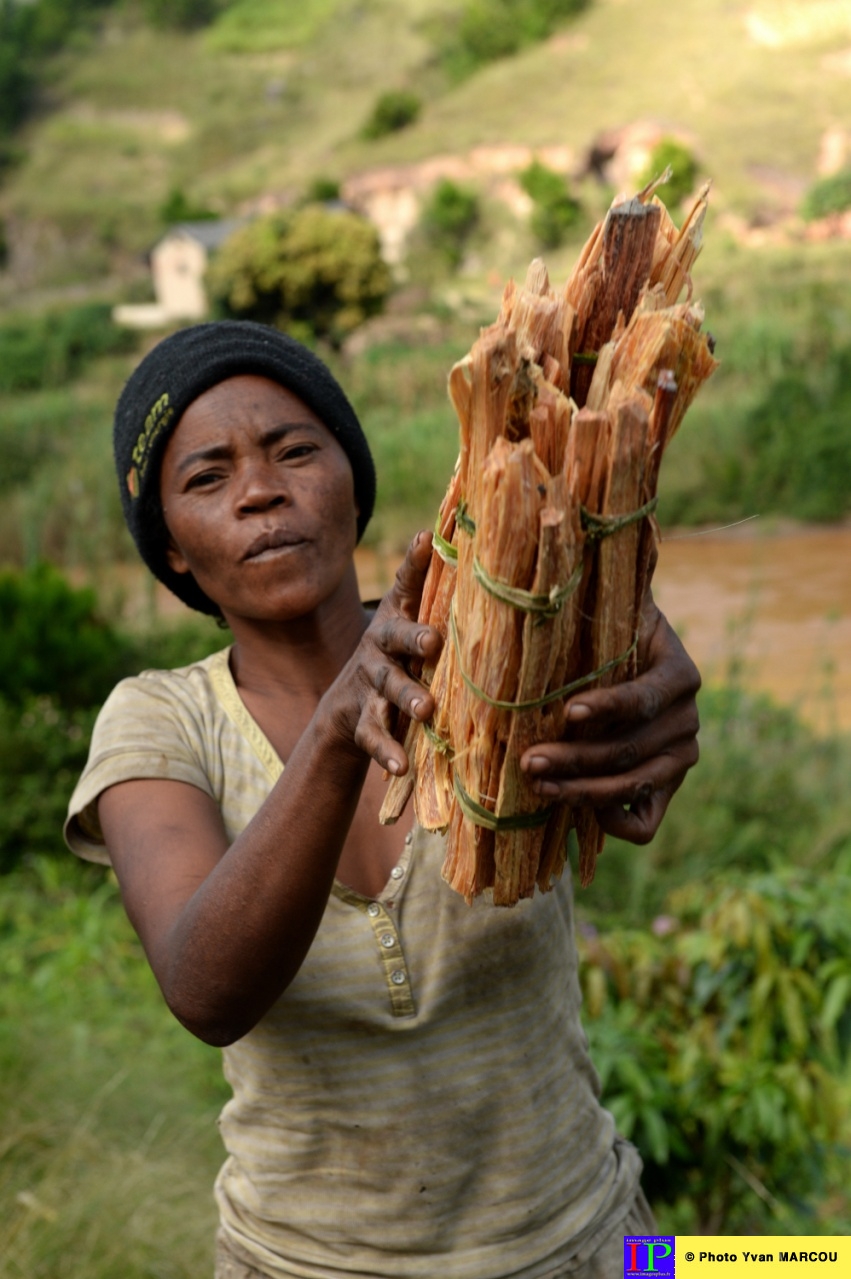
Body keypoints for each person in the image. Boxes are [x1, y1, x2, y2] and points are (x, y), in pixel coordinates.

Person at [65, 320, 700, 1279]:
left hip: (595, 1239)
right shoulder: (159, 720)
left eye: (294, 451)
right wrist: (335, 727)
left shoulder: (493, 648)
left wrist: (649, 720)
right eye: (207, 477)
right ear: (176, 555)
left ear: (352, 484)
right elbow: (206, 989)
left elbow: (633, 719)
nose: (261, 490)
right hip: (301, 1263)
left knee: (801, 1264)